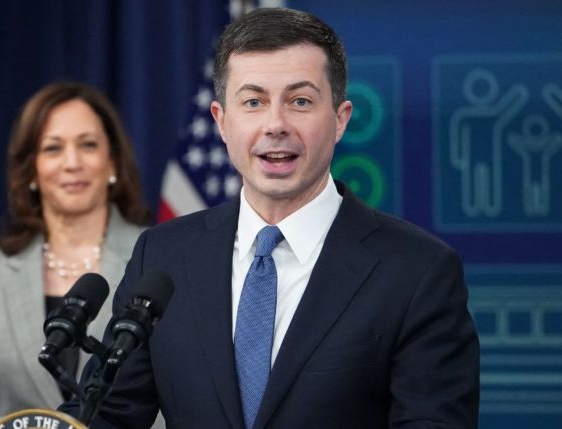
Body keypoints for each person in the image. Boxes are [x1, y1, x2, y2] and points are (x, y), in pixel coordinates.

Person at [60, 7, 480, 428]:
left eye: (300, 101)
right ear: (222, 123)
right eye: (254, 102)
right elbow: (106, 414)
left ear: (340, 119)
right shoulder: (164, 255)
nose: (275, 124)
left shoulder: (417, 271)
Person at [0, 82, 153, 428]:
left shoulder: (158, 259)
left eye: (88, 145)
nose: (72, 163)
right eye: (53, 148)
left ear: (113, 161)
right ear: (30, 170)